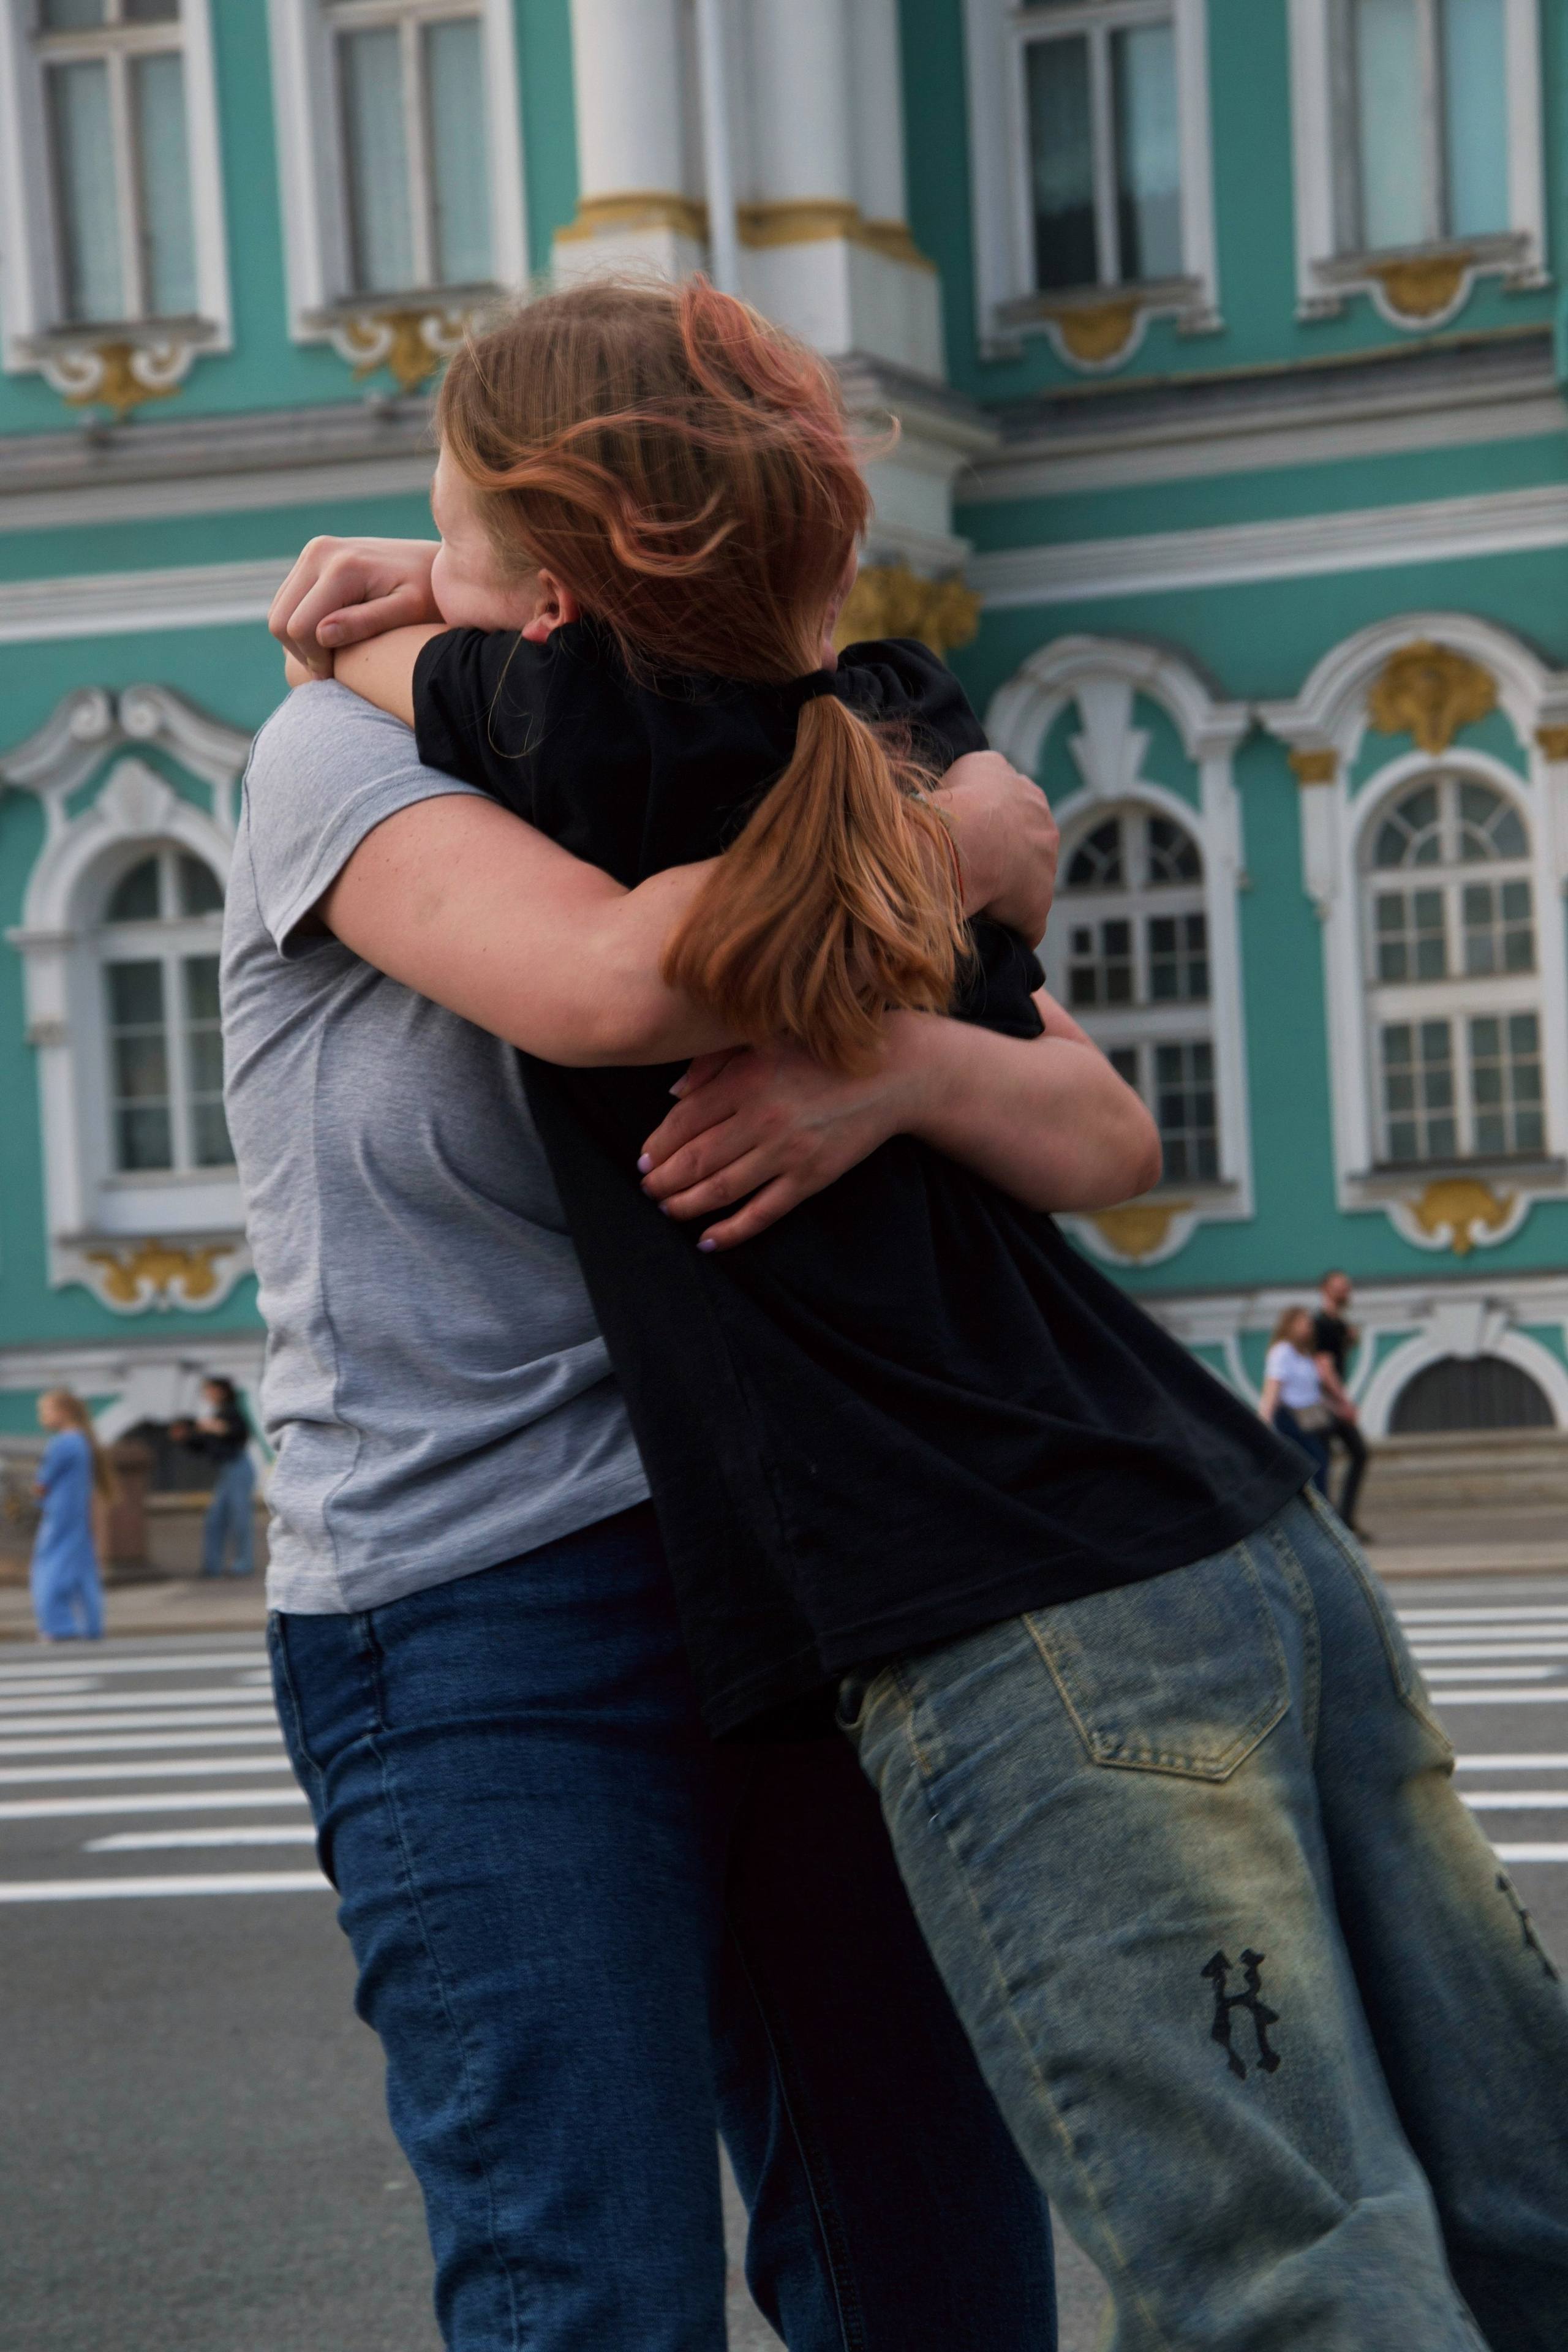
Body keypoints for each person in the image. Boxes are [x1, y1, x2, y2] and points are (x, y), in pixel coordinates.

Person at [273, 277, 1568, 2351]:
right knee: (1507, 2189)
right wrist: (941, 854)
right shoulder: (879, 731)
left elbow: (650, 984)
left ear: (555, 583)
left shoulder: (581, 733)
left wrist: (893, 1055)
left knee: (1268, 2263)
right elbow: (928, 974)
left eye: (458, 520)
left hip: (986, 1592)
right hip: (1191, 1517)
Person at [230, 638, 1072, 2345]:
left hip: (815, 1564)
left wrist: (910, 1060)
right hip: (482, 1604)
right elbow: (614, 981)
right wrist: (955, 832)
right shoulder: (337, 751)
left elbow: (1090, 1110)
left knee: (943, 2278)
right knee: (595, 2292)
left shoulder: (761, 752)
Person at [30, 1389, 108, 1642]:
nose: (42, 1417)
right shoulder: (82, 1441)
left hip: (59, 1514)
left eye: (46, 1411)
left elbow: (42, 1483)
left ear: (62, 1412)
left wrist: (32, 1497)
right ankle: (92, 1624)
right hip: (77, 1513)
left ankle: (58, 1625)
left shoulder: (62, 1444)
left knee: (49, 1568)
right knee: (83, 1569)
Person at [169, 1376, 255, 1577]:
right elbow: (203, 1445)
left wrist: (213, 1427)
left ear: (221, 1391)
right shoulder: (215, 1415)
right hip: (226, 1470)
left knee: (240, 1518)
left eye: (210, 1390)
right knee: (214, 1518)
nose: (207, 1394)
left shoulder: (231, 1411)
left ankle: (243, 1562)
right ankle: (213, 1565)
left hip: (238, 1467)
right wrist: (185, 1438)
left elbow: (239, 1433)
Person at [1315, 1268, 1372, 1537]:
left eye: (1346, 1287)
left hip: (1330, 1401)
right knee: (1328, 1458)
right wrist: (1343, 1402)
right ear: (1325, 1290)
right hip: (1323, 1402)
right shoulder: (1322, 1324)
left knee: (1355, 1454)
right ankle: (1332, 1523)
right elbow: (1324, 1368)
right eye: (1338, 1287)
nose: (1344, 1292)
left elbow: (1336, 1360)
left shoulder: (1337, 1325)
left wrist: (1349, 1339)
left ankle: (1343, 1519)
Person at [1258, 1305, 1332, 1494]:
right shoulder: (1282, 1352)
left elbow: (1312, 1388)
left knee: (1319, 1462)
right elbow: (1272, 1390)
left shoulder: (1305, 1353)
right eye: (1304, 1322)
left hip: (1311, 1417)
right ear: (1290, 1325)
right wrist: (1263, 1423)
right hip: (1291, 1418)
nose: (1309, 1326)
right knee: (1316, 1463)